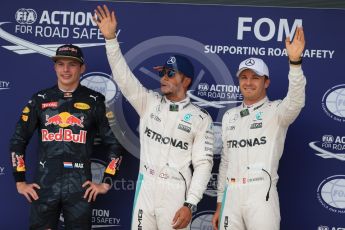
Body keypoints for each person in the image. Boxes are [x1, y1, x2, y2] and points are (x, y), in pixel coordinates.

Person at [93, 5, 214, 229]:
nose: (163, 77)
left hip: (176, 192)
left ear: (186, 81)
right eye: (162, 73)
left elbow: (204, 165)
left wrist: (190, 204)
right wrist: (110, 39)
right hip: (146, 186)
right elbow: (123, 77)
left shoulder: (199, 118)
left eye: (170, 73)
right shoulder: (148, 102)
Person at [10, 43, 123, 229]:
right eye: (60, 64)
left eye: (72, 64)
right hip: (45, 186)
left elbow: (115, 143)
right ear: (54, 67)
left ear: (82, 68)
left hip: (80, 189)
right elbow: (18, 141)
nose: (66, 69)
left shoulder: (95, 101)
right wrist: (20, 181)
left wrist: (106, 181)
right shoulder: (40, 99)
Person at [212, 27, 306, 230]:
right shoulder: (230, 116)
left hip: (261, 193)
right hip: (232, 195)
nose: (248, 82)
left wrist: (295, 64)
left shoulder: (277, 111)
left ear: (267, 82)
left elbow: (296, 101)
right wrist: (220, 203)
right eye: (244, 77)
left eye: (255, 77)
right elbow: (226, 162)